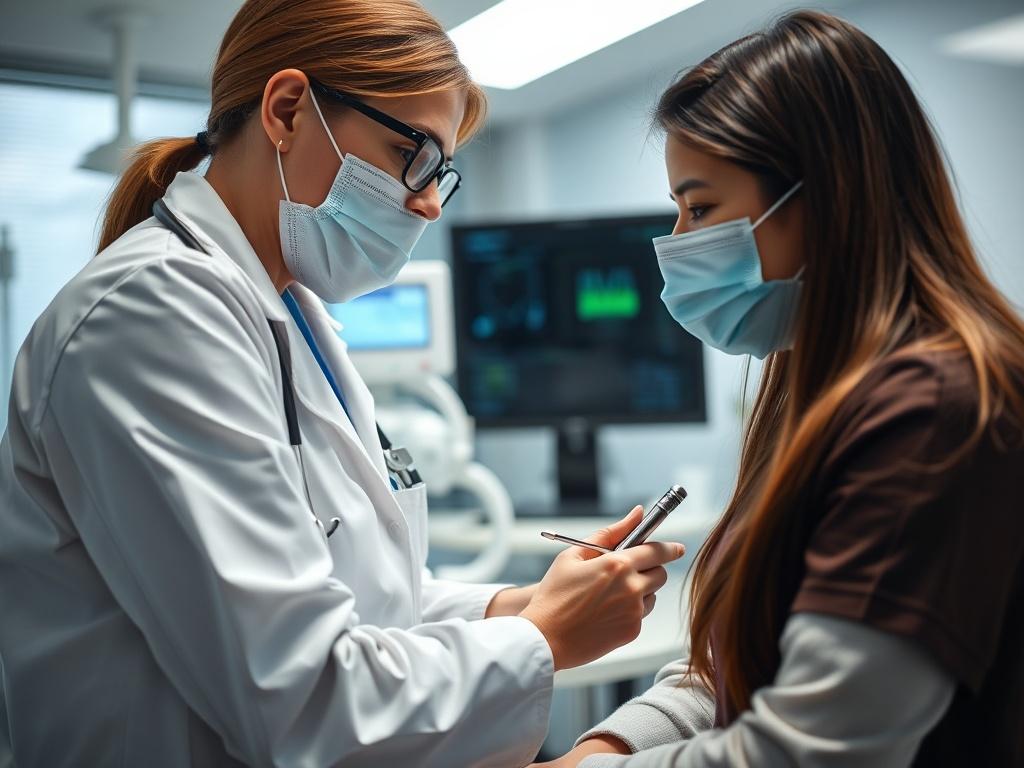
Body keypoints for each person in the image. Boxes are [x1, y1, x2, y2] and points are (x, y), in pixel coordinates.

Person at [0, 1, 685, 765]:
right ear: (288, 110)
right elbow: (298, 698)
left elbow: (361, 595)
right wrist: (543, 636)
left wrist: (516, 603)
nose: (428, 200)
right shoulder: (150, 315)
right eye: (411, 153)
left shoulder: (291, 317)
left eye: (442, 172)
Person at [536, 9, 1024, 768]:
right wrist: (606, 744)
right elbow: (734, 666)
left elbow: (818, 750)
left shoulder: (933, 408)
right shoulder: (813, 380)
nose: (678, 241)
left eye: (700, 207)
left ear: (822, 198)